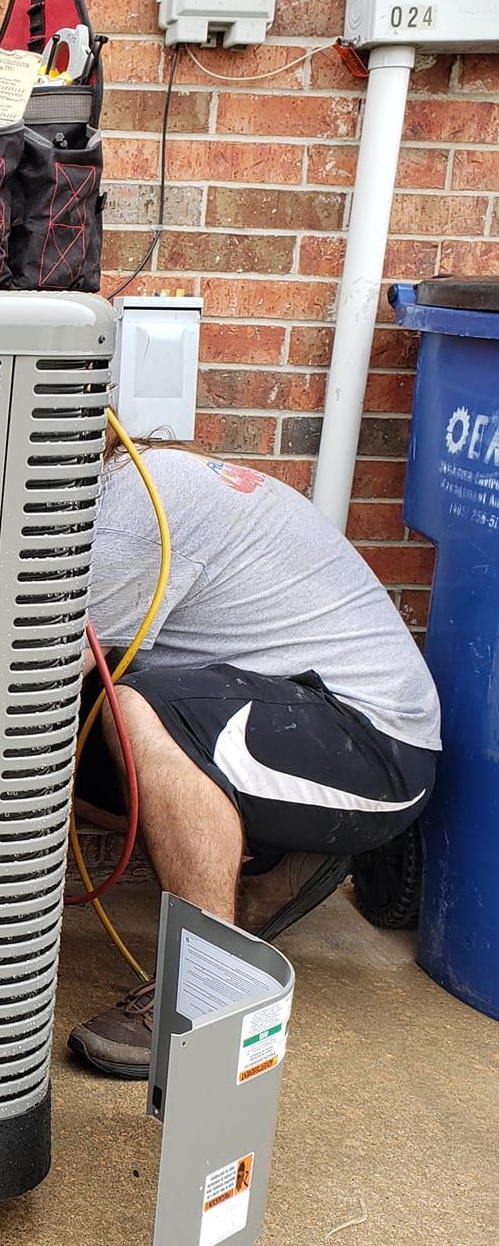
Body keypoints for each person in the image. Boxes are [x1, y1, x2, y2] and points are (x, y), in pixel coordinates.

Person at [70, 438, 441, 1080]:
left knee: (139, 709)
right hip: (305, 722)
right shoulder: (132, 482)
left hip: (377, 748)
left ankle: (211, 993)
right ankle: (276, 858)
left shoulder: (127, 511)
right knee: (73, 747)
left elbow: (27, 681)